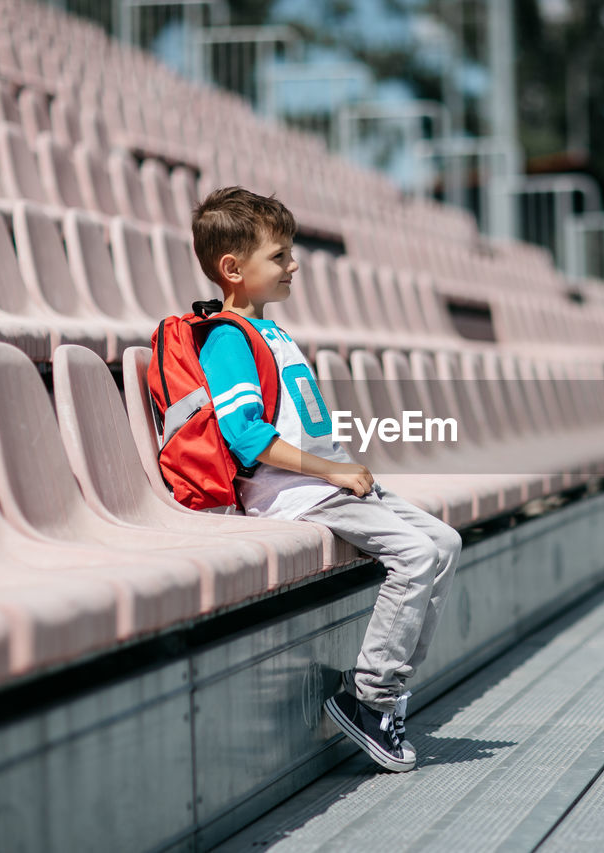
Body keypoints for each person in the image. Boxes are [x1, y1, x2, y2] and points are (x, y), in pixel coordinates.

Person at [191, 186, 462, 772]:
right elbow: (245, 435)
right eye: (280, 255)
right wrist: (333, 469)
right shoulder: (228, 339)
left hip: (331, 485)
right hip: (295, 494)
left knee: (444, 542)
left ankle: (382, 691)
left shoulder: (275, 333)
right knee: (415, 554)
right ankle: (371, 697)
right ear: (232, 269)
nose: (294, 264)